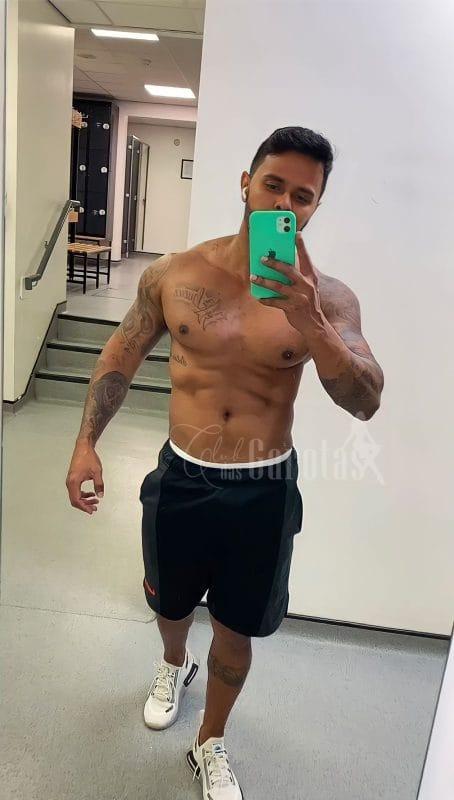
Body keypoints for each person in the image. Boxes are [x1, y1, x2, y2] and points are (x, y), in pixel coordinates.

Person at [66, 126, 384, 800]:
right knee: (170, 602)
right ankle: (173, 662)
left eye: (303, 196)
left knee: (238, 628)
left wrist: (310, 321)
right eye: (274, 184)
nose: (284, 203)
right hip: (182, 474)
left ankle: (209, 740)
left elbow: (365, 400)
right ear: (246, 183)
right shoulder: (176, 274)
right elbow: (123, 351)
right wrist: (86, 441)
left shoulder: (328, 298)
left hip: (263, 488)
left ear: (315, 207)